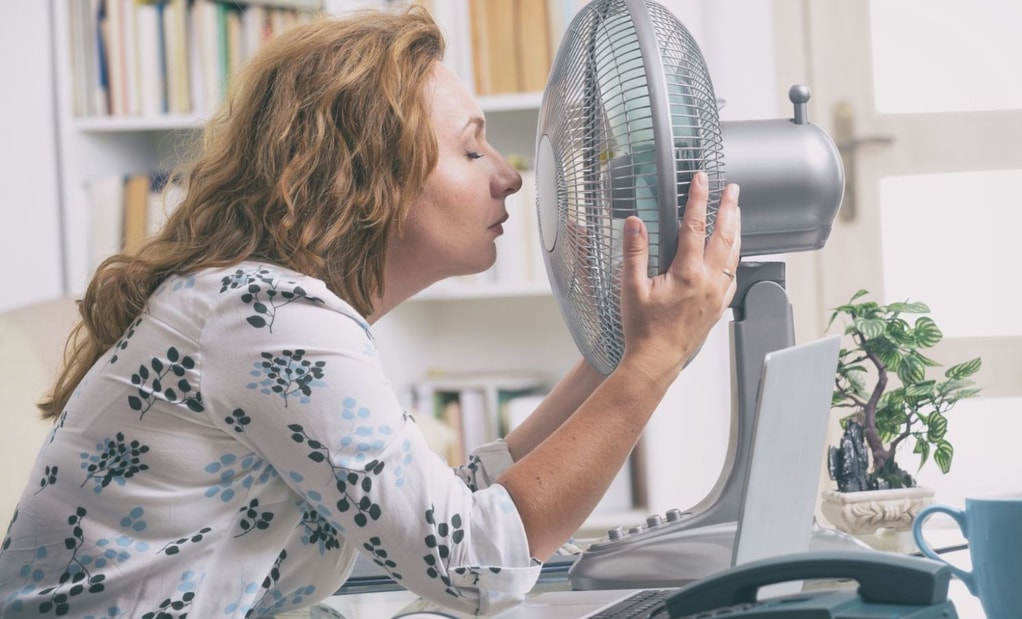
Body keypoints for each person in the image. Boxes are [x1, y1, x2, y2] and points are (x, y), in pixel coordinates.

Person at [0, 6, 741, 617]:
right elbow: (474, 563)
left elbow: (443, 510)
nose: (511, 178)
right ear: (368, 178)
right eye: (472, 152)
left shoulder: (265, 310)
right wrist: (651, 363)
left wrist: (619, 348)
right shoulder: (265, 319)